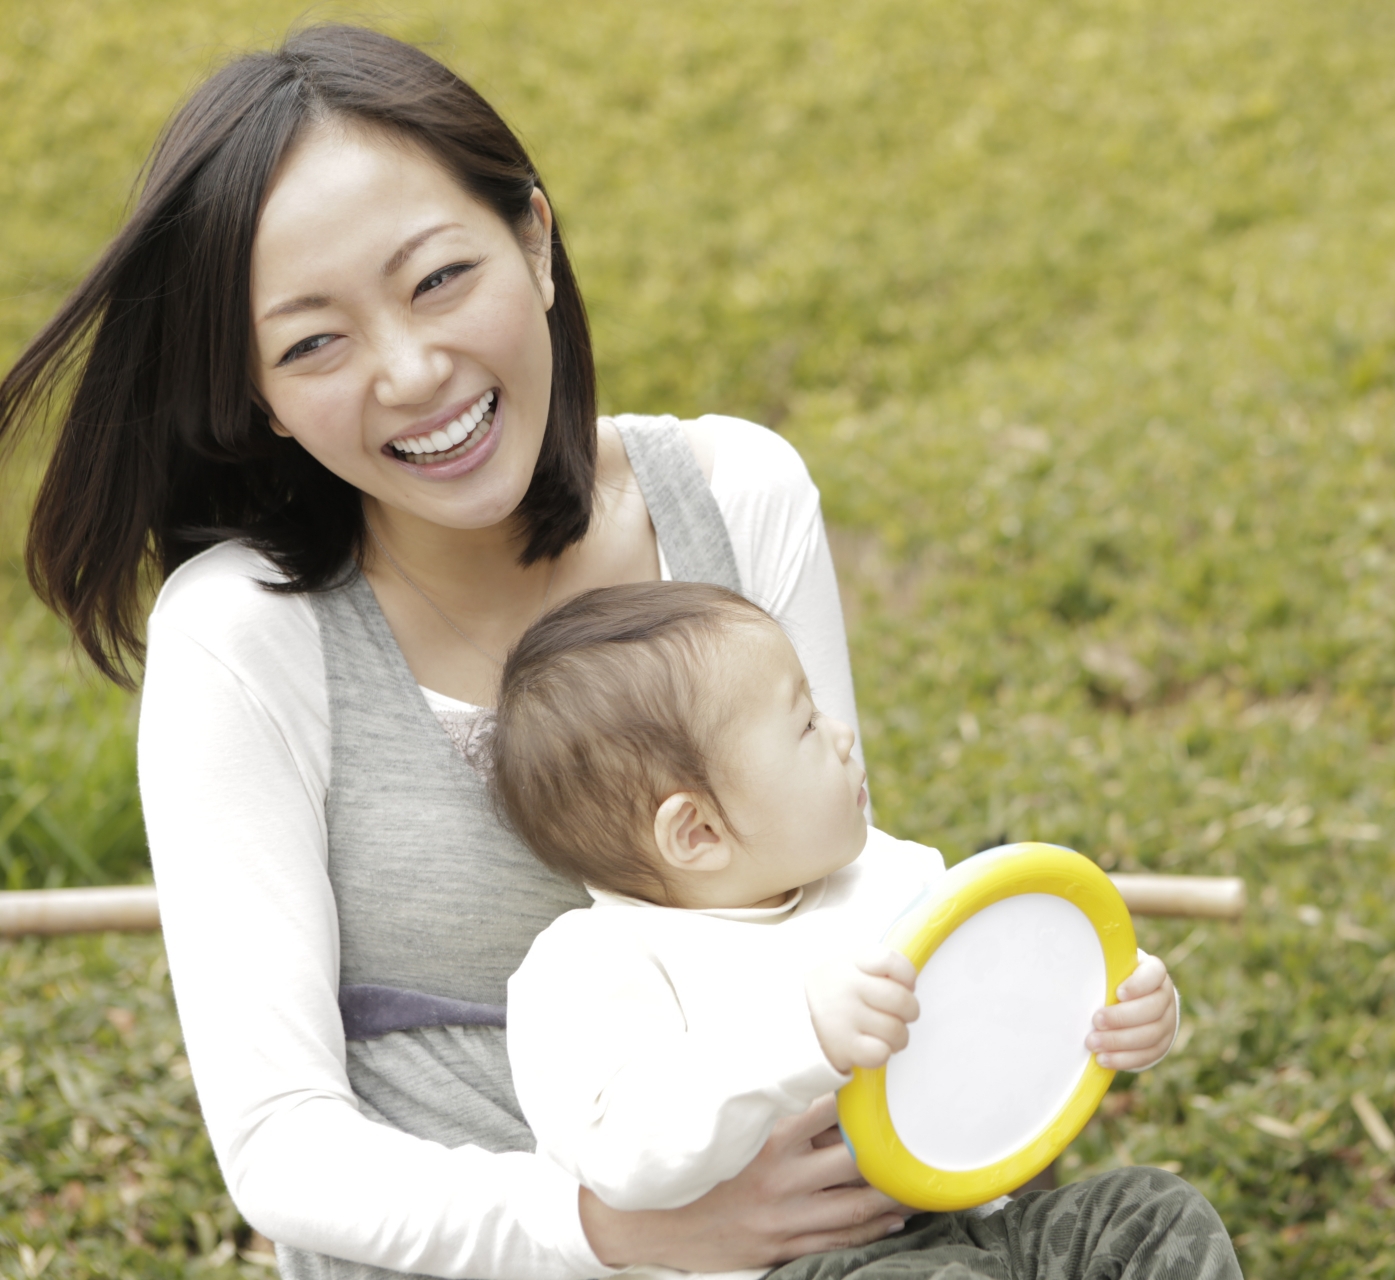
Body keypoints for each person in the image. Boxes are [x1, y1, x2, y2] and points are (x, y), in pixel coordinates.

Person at [0, 22, 1237, 1280]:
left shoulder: (735, 493)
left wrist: (1061, 1010)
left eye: (437, 279)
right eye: (314, 341)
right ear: (259, 393)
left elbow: (828, 888)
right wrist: (612, 1228)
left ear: (534, 240)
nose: (413, 371)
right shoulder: (245, 636)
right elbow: (283, 1146)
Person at [489, 582, 1228, 1280]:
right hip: (812, 1264)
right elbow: (624, 1150)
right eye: (806, 724)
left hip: (982, 1225)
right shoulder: (597, 964)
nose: (843, 735)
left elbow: (997, 1003)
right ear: (698, 830)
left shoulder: (887, 873)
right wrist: (799, 1035)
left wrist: (1112, 1008)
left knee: (1155, 1214)